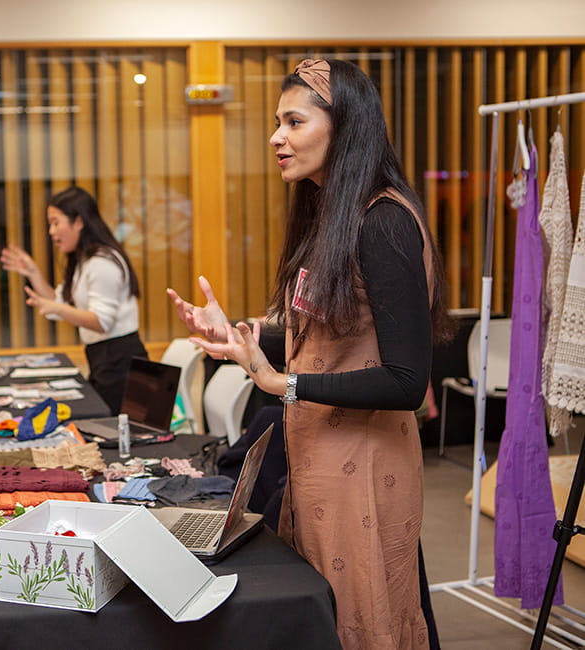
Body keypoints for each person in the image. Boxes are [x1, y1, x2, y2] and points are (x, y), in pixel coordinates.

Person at [168, 59, 453, 649]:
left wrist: (285, 385)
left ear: (343, 128)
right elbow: (323, 330)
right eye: (277, 122)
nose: (277, 136)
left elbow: (405, 381)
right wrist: (241, 336)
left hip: (366, 464)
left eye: (294, 122)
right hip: (320, 452)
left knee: (364, 618)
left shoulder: (385, 222)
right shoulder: (334, 216)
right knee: (325, 615)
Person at [1, 185, 147, 411]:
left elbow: (101, 322)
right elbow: (62, 302)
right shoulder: (85, 261)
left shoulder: (102, 262)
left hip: (121, 363)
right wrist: (32, 272)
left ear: (78, 222)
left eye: (56, 222)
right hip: (105, 359)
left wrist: (55, 308)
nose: (51, 231)